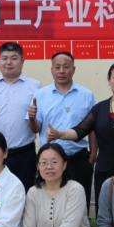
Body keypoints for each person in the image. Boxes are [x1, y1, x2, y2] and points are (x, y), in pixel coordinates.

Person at [48, 62, 114, 219]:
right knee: (105, 210)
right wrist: (60, 134)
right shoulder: (99, 108)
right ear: (109, 81)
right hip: (105, 168)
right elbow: (80, 130)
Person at [29, 51, 96, 211]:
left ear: (73, 69)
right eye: (57, 67)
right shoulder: (41, 94)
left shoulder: (86, 95)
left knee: (80, 206)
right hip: (50, 160)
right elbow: (36, 128)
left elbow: (93, 128)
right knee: (50, 206)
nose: (61, 71)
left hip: (78, 158)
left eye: (66, 67)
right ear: (52, 69)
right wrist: (32, 118)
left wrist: (93, 155)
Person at [0, 42, 41, 190]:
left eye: (14, 58)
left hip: (24, 153)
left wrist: (33, 118)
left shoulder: (35, 86)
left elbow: (37, 127)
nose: (9, 62)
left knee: (25, 192)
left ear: (22, 61)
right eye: (4, 58)